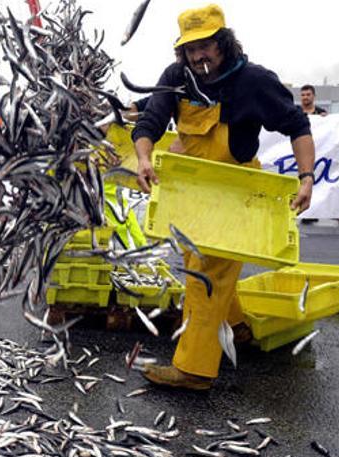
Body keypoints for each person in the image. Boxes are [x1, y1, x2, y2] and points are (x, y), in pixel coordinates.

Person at [132, 4, 314, 390]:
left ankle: (194, 369)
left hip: (235, 190)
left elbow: (297, 125)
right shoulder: (177, 76)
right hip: (192, 189)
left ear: (224, 42)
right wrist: (144, 157)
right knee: (195, 258)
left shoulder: (253, 80)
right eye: (191, 48)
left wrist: (307, 177)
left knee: (206, 274)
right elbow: (151, 119)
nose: (199, 56)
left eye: (206, 45)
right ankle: (237, 328)